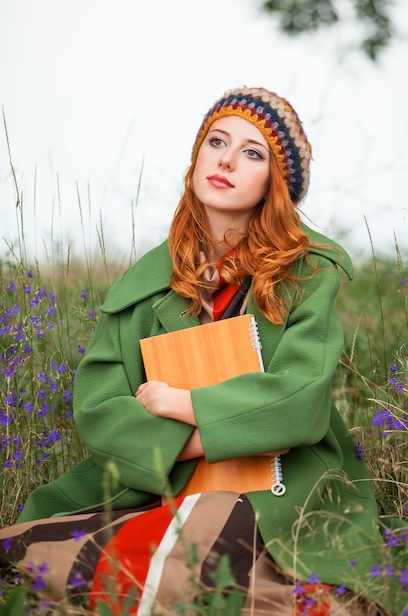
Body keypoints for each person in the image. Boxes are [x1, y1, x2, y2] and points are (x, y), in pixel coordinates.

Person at [0, 87, 406, 616]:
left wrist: (180, 405)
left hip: (281, 487)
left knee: (229, 572)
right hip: (156, 486)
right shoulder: (142, 284)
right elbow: (101, 413)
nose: (227, 159)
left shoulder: (308, 273)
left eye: (253, 153)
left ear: (274, 185)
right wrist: (210, 439)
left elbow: (298, 400)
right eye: (217, 140)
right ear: (198, 155)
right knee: (49, 558)